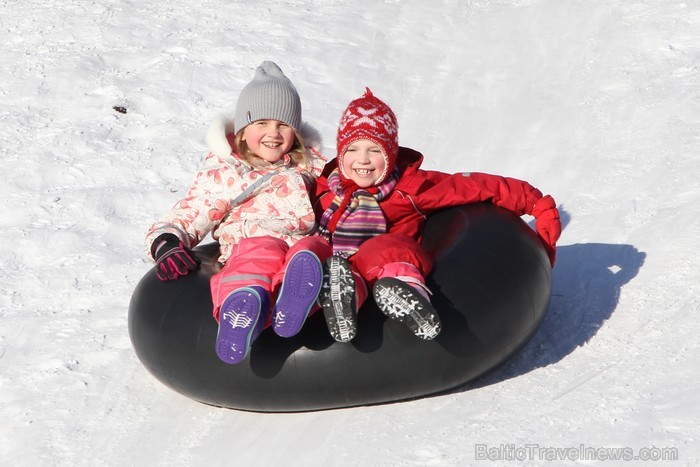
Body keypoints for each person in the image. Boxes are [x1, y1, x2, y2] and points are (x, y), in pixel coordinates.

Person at [312, 88, 561, 342]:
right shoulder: (324, 190)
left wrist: (536, 202)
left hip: (387, 264)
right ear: (341, 153)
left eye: (374, 150)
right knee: (324, 259)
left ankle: (409, 297)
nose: (362, 160)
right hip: (340, 269)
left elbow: (473, 185)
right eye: (353, 149)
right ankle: (342, 305)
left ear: (389, 153)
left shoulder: (411, 188)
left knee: (392, 246)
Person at [144, 61, 332, 364]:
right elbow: (194, 210)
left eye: (283, 125)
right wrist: (166, 241)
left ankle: (294, 302)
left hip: (298, 247)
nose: (273, 133)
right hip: (253, 243)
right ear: (243, 132)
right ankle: (243, 307)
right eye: (262, 123)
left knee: (314, 250)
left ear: (295, 133)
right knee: (261, 253)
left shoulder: (312, 166)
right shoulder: (228, 172)